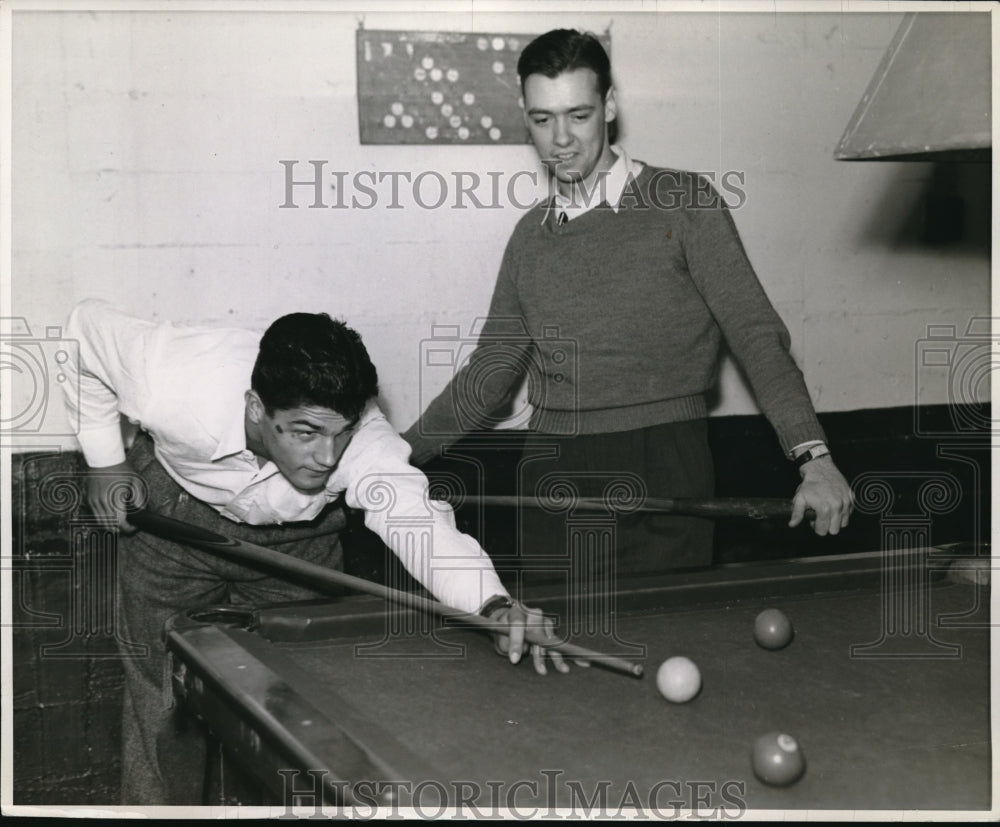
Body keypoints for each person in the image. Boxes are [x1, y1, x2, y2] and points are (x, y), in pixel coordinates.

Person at [62, 298, 570, 806]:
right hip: (175, 525)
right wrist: (104, 459)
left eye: (341, 433)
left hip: (302, 544)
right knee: (164, 697)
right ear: (258, 408)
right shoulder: (173, 378)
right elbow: (84, 331)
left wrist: (494, 605)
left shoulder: (366, 442)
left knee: (301, 710)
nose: (327, 457)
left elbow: (418, 523)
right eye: (306, 433)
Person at [404, 28, 854, 580]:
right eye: (543, 120)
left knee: (663, 640)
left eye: (579, 114)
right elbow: (491, 376)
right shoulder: (529, 237)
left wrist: (816, 459)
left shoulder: (685, 205)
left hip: (663, 461)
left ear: (610, 107)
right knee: (560, 649)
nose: (561, 139)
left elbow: (756, 336)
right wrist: (398, 458)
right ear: (525, 117)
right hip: (552, 469)